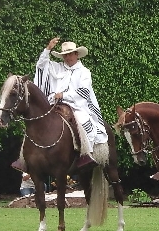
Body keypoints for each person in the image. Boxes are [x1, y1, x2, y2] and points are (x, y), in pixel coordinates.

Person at [33, 37, 106, 169]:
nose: (67, 57)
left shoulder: (84, 72)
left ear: (76, 54)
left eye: (70, 54)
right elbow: (41, 66)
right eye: (65, 55)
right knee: (37, 120)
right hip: (54, 104)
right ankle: (26, 158)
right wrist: (48, 49)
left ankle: (86, 154)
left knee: (84, 121)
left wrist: (64, 94)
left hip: (76, 105)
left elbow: (83, 92)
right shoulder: (57, 68)